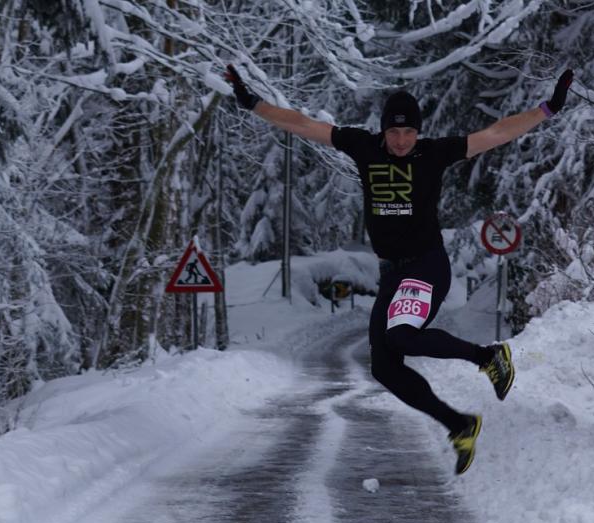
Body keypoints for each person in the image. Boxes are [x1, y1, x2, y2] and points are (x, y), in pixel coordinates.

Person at [224, 64, 574, 474]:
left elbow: (497, 133)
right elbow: (301, 123)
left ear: (418, 133)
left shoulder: (435, 153)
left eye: (409, 133)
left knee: (403, 335)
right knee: (384, 366)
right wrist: (251, 102)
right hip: (392, 272)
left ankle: (488, 356)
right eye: (395, 132)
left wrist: (547, 109)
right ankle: (459, 424)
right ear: (384, 132)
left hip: (427, 264)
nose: (403, 140)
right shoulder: (361, 145)